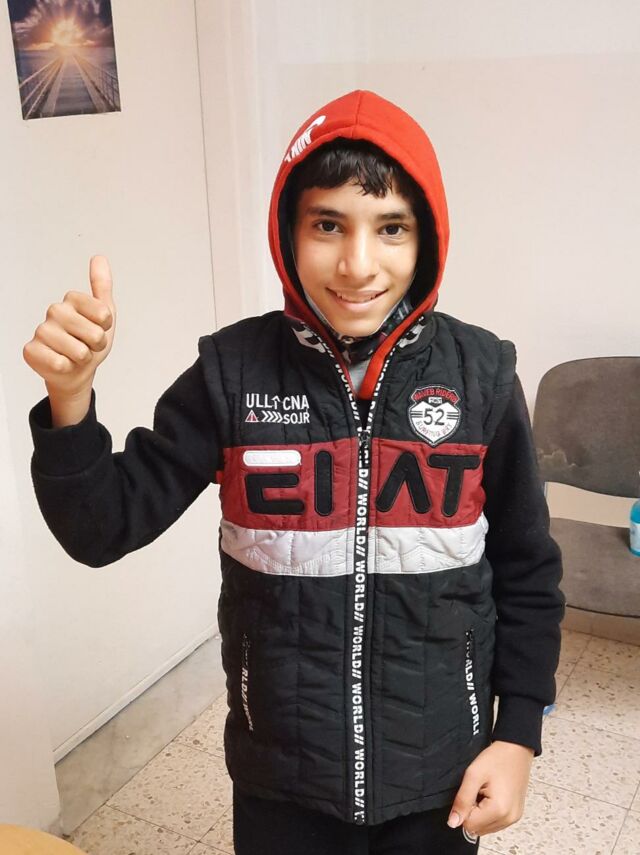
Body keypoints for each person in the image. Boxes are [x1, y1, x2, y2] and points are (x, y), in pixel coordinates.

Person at [23, 90, 565, 854]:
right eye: (327, 225)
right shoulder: (231, 374)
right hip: (281, 783)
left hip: (440, 775)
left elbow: (527, 567)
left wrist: (518, 735)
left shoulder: (483, 375)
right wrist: (71, 400)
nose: (358, 264)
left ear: (427, 238)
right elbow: (100, 527)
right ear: (288, 231)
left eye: (391, 228)